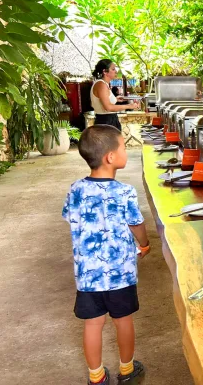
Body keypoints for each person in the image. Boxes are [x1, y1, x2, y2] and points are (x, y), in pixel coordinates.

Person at [62, 125, 150, 384]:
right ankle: (127, 370)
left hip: (88, 277)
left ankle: (97, 377)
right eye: (123, 146)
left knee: (92, 324)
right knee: (123, 321)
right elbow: (136, 225)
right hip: (120, 275)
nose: (125, 151)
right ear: (110, 157)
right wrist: (143, 244)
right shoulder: (124, 192)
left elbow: (72, 218)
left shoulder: (75, 189)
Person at [91, 60, 140, 130]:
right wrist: (129, 106)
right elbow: (108, 107)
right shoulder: (101, 85)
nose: (116, 72)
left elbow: (104, 101)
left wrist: (115, 99)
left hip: (109, 120)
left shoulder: (104, 84)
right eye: (113, 69)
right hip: (105, 122)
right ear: (105, 71)